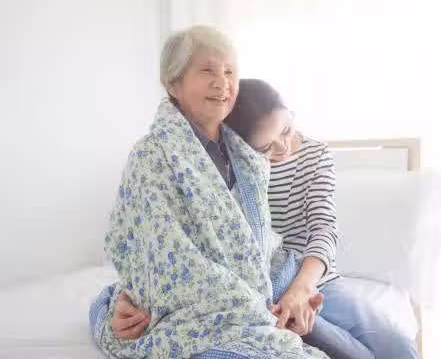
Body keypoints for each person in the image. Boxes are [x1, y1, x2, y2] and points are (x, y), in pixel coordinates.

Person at [97, 77, 420, 359]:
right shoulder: (232, 169)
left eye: (287, 129)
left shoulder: (314, 155)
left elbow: (323, 229)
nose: (283, 146)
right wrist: (132, 298)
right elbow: (171, 245)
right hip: (255, 290)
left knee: (395, 346)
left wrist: (300, 290)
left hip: (312, 279)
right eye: (267, 146)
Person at [93, 25, 327, 359]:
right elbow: (161, 255)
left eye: (229, 72)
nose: (222, 83)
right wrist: (248, 305)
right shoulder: (151, 156)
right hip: (213, 307)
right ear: (173, 84)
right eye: (207, 71)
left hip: (269, 290)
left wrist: (287, 293)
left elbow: (258, 241)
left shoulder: (244, 149)